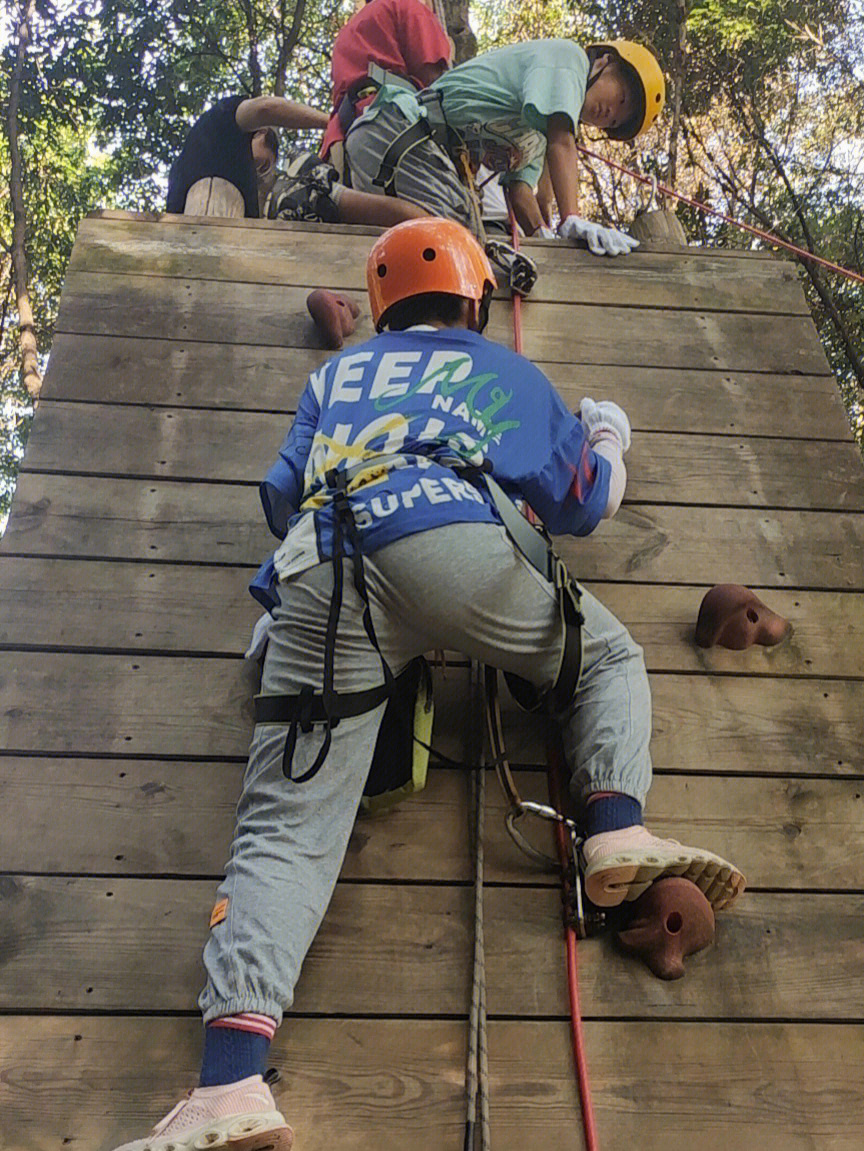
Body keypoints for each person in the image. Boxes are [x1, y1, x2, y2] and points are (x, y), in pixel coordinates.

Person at [109, 218, 744, 1150]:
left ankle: (229, 1087)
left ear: (381, 308)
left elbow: (281, 496)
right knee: (605, 656)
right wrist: (608, 434)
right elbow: (582, 502)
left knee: (286, 827)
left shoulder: (336, 375)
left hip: (319, 570)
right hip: (451, 543)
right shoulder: (498, 367)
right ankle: (614, 830)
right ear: (474, 299)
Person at [344, 38, 666, 255]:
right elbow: (563, 141)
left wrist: (544, 237)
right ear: (605, 62)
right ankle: (324, 197)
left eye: (613, 122)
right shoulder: (568, 60)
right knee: (458, 240)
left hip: (410, 155)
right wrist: (572, 218)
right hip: (400, 130)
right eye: (621, 98)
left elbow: (520, 192)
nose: (609, 113)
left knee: (465, 243)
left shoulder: (536, 133)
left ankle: (336, 201)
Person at [167, 94, 427, 228]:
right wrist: (331, 124)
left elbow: (355, 204)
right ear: (258, 133)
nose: (263, 175)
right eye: (264, 165)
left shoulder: (292, 188)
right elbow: (265, 108)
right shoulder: (219, 127)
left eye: (267, 168)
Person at [319, 0, 452, 177]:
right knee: (446, 203)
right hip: (392, 126)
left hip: (340, 144)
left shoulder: (349, 31)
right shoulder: (407, 6)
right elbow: (437, 83)